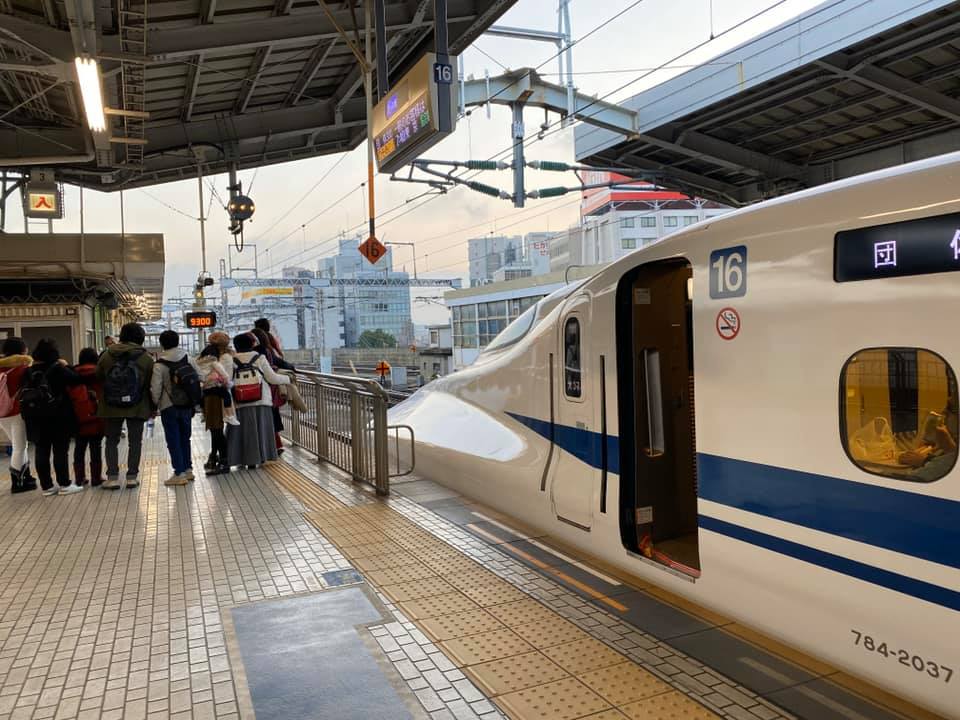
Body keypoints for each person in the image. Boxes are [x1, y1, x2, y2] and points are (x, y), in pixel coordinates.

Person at [20, 338, 83, 495]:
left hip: (35, 416)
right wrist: (66, 365)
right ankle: (64, 484)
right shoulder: (57, 368)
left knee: (41, 450)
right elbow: (76, 379)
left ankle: (47, 486)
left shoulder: (29, 371)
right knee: (60, 450)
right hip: (58, 415)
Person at [97, 322, 155, 489]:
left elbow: (98, 376)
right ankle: (131, 476)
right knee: (135, 442)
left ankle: (112, 477)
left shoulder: (107, 355)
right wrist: (152, 406)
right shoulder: (146, 358)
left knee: (111, 441)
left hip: (110, 405)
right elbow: (151, 383)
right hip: (137, 404)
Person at [227, 332, 290, 469]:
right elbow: (272, 378)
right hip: (261, 401)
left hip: (240, 402)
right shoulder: (259, 358)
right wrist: (288, 379)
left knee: (242, 433)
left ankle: (243, 460)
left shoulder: (231, 360)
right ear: (251, 344)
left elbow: (227, 381)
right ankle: (261, 457)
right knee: (261, 430)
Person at [151, 330, 203, 486]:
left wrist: (155, 404)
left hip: (169, 406)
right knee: (185, 437)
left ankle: (179, 473)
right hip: (187, 404)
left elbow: (155, 388)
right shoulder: (188, 358)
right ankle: (188, 470)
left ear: (161, 344)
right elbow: (200, 376)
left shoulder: (159, 364)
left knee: (173, 439)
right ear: (178, 341)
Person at [197, 332, 237, 476]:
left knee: (217, 429)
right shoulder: (217, 357)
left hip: (217, 396)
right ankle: (215, 457)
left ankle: (223, 461)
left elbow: (224, 378)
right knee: (215, 429)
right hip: (211, 395)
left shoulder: (224, 358)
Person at [0, 337, 37, 493]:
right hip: (16, 411)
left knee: (19, 445)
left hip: (2, 413)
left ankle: (26, 476)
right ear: (22, 350)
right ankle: (17, 482)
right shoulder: (21, 368)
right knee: (19, 446)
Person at [251, 326, 294, 455]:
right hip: (270, 390)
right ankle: (275, 445)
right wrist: (290, 372)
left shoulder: (257, 353)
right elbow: (278, 362)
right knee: (271, 417)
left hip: (259, 390)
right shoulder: (267, 351)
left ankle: (270, 446)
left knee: (263, 420)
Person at [70, 348, 106, 486]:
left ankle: (79, 478)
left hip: (79, 416)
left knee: (79, 448)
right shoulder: (98, 372)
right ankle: (96, 478)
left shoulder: (72, 373)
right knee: (95, 447)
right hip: (97, 415)